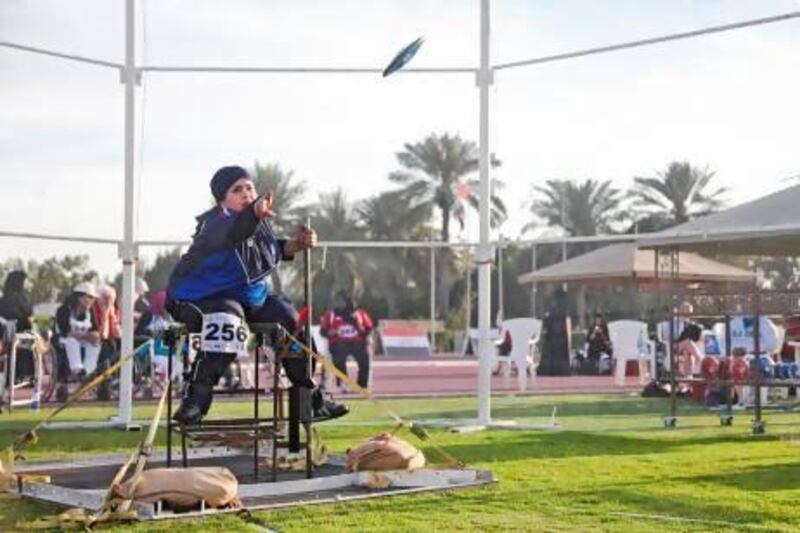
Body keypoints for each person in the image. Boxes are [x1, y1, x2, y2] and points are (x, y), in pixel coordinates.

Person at [166, 165, 348, 425]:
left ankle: (311, 401)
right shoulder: (214, 223)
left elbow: (271, 248)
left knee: (291, 321)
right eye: (236, 190)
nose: (245, 193)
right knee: (227, 320)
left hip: (248, 298)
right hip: (198, 297)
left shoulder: (259, 224)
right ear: (222, 199)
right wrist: (254, 211)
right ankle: (194, 402)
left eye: (249, 188)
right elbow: (238, 232)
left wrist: (298, 244)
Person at [321, 292, 374, 389]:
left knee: (364, 358)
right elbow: (323, 331)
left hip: (357, 342)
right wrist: (329, 333)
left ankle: (362, 385)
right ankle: (343, 382)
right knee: (339, 358)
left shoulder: (360, 314)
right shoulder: (331, 315)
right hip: (338, 342)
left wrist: (364, 334)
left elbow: (369, 328)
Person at [54, 282, 101, 379]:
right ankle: (77, 370)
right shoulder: (64, 310)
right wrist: (87, 336)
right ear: (80, 297)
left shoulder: (90, 312)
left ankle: (88, 371)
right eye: (90, 297)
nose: (92, 301)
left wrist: (95, 336)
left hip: (83, 339)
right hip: (63, 339)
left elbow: (95, 329)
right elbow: (66, 332)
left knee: (95, 344)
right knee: (72, 341)